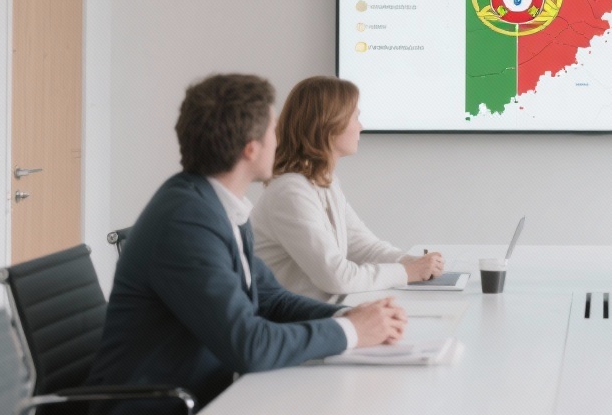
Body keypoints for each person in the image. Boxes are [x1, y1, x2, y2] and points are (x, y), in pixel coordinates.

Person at [87, 74, 408, 414]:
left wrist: (349, 316)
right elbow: (250, 346)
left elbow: (269, 299)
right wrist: (350, 331)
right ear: (251, 148)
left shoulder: (218, 205)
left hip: (209, 393)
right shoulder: (186, 221)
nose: (279, 137)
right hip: (160, 406)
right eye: (273, 128)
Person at [252, 76, 445, 302]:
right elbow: (336, 277)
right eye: (356, 116)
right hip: (295, 323)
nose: (361, 126)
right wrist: (408, 272)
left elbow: (364, 247)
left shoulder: (324, 182)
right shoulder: (290, 192)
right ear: (330, 125)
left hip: (319, 313)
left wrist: (409, 262)